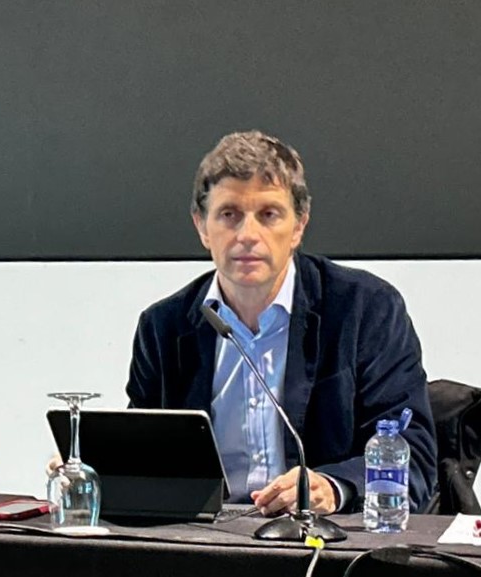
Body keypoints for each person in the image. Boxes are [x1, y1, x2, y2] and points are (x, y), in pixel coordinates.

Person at [125, 131, 437, 515]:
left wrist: (334, 487)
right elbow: (139, 460)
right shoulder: (163, 328)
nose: (247, 235)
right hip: (206, 537)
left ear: (299, 226)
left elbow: (415, 455)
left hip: (320, 537)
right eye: (229, 215)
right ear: (202, 227)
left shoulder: (365, 310)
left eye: (268, 215)